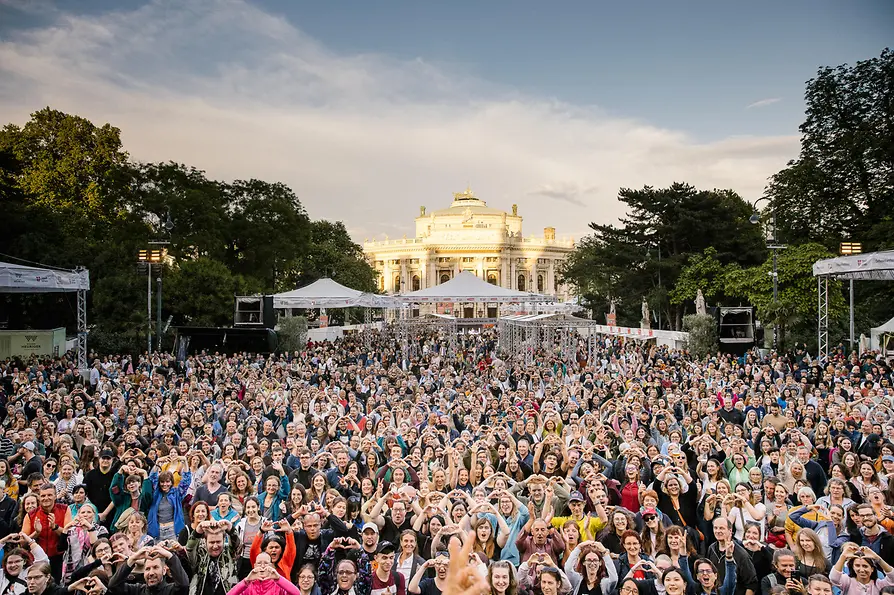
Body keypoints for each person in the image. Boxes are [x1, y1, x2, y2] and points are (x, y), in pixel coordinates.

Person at [108, 545, 190, 595]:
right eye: (147, 569)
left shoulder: (172, 590)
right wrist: (133, 558)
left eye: (155, 567)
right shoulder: (136, 591)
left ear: (164, 570)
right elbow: (113, 586)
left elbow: (184, 585)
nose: (151, 573)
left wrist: (170, 556)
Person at [186, 520, 241, 595]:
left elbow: (238, 546)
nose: (215, 546)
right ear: (205, 541)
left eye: (218, 542)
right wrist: (197, 531)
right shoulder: (200, 553)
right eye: (211, 542)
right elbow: (189, 549)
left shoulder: (229, 552)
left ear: (224, 540)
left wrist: (230, 528)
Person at [829, 542, 894, 595]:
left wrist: (878, 559)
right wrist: (843, 557)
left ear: (872, 569)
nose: (862, 570)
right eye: (857, 565)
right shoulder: (847, 581)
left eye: (865, 566)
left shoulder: (878, 584)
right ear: (853, 567)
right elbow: (834, 578)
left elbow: (892, 578)